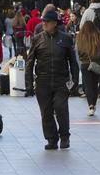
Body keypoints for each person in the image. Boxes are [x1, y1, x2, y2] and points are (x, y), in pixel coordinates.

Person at [25, 11, 78, 150]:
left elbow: (73, 62)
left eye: (47, 21)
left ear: (55, 23)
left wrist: (75, 81)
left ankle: (65, 136)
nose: (44, 24)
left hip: (61, 80)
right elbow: (29, 62)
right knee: (46, 112)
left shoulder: (66, 39)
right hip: (43, 81)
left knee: (61, 107)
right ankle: (51, 139)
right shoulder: (37, 39)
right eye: (43, 21)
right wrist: (29, 84)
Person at [77, 21, 100, 116]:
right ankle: (94, 103)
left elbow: (79, 52)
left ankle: (91, 106)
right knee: (94, 85)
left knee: (88, 86)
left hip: (85, 64)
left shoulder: (80, 37)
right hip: (97, 63)